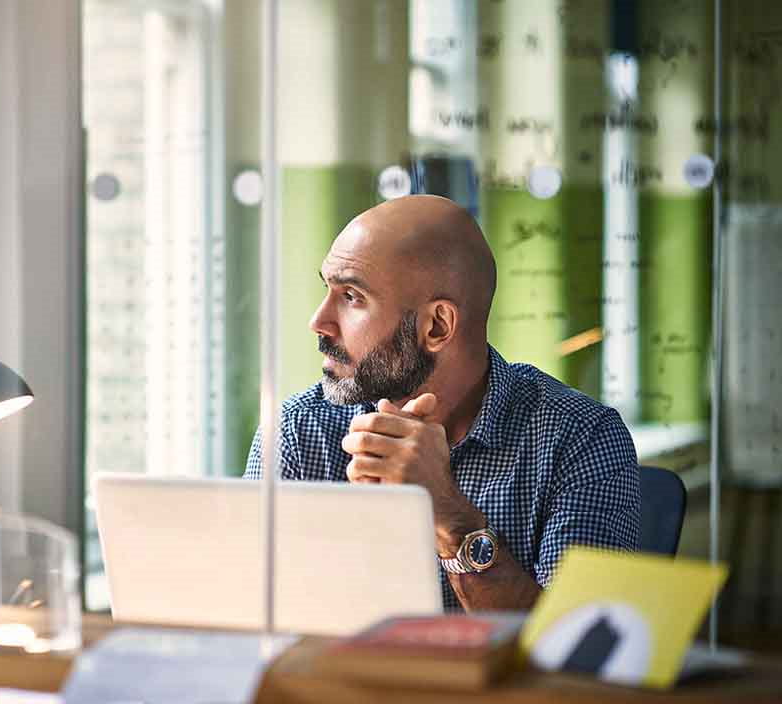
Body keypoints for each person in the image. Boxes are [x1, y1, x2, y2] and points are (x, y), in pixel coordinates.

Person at [244, 194, 640, 611]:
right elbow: (246, 623)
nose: (318, 321)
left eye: (352, 297)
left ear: (436, 326)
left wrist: (448, 515)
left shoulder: (582, 440)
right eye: (328, 289)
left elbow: (576, 656)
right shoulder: (297, 431)